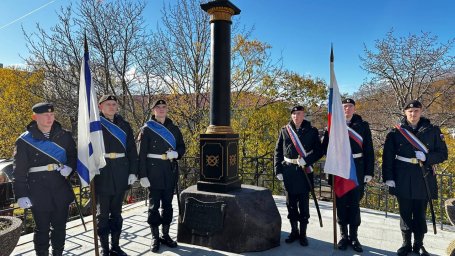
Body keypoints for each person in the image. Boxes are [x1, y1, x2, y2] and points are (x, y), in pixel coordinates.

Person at [382, 100, 448, 256]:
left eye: (416, 111)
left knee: (420, 213)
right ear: (405, 112)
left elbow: (443, 154)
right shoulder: (395, 132)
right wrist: (388, 177)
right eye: (410, 111)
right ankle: (405, 244)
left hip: (423, 177)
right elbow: (388, 157)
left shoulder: (432, 131)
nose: (413, 114)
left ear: (421, 111)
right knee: (405, 213)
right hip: (402, 176)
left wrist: (427, 157)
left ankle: (418, 244)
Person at [13, 102, 76, 256]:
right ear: (35, 117)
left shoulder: (65, 135)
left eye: (52, 114)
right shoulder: (24, 140)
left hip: (60, 186)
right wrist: (21, 194)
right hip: (38, 189)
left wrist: (70, 168)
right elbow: (19, 171)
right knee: (41, 229)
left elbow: (73, 157)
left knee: (60, 227)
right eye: (45, 115)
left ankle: (58, 253)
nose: (49, 118)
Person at [321, 98, 375, 252]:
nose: (347, 109)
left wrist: (369, 172)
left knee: (355, 205)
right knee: (341, 204)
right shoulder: (333, 126)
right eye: (344, 106)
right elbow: (325, 149)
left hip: (357, 170)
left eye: (350, 106)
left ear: (354, 109)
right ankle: (343, 236)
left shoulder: (363, 126)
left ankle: (354, 237)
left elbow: (369, 150)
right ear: (341, 109)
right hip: (339, 170)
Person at [138, 99, 186, 253]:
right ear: (153, 110)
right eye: (158, 107)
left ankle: (165, 235)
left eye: (164, 107)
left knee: (168, 205)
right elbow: (141, 154)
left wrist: (176, 153)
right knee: (154, 207)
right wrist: (142, 175)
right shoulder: (147, 129)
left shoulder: (174, 128)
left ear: (167, 109)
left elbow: (182, 146)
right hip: (153, 172)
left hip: (169, 170)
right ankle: (155, 237)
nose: (161, 109)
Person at [274, 105, 323, 247]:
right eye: (294, 114)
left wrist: (306, 160)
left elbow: (319, 151)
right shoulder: (285, 130)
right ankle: (293, 231)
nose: (296, 116)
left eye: (299, 113)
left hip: (304, 172)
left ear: (304, 115)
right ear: (291, 116)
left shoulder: (312, 131)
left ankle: (303, 234)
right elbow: (277, 151)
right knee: (291, 205)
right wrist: (278, 170)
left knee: (303, 205)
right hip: (288, 171)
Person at [96, 95, 139, 256]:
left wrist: (133, 172)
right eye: (108, 104)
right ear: (100, 107)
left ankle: (115, 246)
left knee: (117, 214)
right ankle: (104, 248)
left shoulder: (125, 125)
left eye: (114, 104)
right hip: (103, 172)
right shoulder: (95, 125)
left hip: (121, 172)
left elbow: (132, 151)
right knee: (102, 216)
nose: (112, 107)